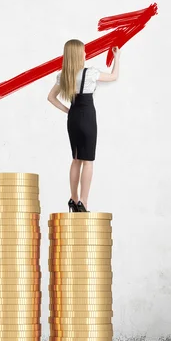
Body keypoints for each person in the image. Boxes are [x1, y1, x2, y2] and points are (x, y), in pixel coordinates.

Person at [47, 39, 120, 212]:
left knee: (76, 159)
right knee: (88, 161)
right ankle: (83, 203)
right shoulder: (91, 73)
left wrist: (68, 111)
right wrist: (117, 58)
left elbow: (51, 97)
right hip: (87, 117)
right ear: (79, 54)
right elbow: (113, 76)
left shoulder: (64, 75)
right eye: (83, 51)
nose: (86, 54)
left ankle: (73, 198)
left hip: (73, 119)